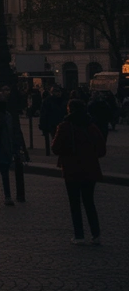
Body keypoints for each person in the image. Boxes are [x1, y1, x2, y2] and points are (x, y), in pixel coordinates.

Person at [52, 99, 105, 245]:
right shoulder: (92, 127)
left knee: (74, 203)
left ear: (69, 110)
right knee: (89, 202)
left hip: (72, 168)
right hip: (90, 168)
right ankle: (96, 234)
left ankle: (79, 235)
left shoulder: (65, 127)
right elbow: (101, 149)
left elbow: (55, 148)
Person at [39, 87, 66, 156]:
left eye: (59, 91)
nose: (58, 93)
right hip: (52, 123)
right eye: (56, 92)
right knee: (55, 137)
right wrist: (43, 124)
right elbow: (44, 113)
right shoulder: (48, 101)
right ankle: (57, 150)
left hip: (61, 122)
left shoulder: (63, 100)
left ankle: (59, 150)